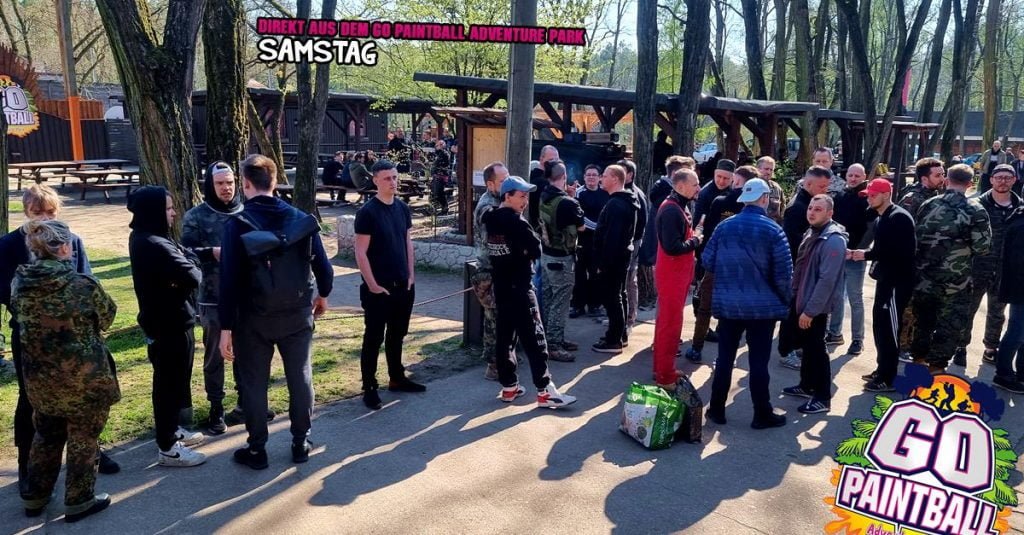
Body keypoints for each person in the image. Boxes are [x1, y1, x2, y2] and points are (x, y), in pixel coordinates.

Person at [0, 186, 120, 492]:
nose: (45, 218)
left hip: (76, 338)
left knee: (84, 401)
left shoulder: (71, 239)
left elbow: (86, 279)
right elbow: (5, 291)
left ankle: (91, 453)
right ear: (26, 212)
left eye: (51, 212)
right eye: (37, 212)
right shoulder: (9, 245)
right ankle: (28, 468)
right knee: (32, 402)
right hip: (33, 339)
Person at [219, 154, 333, 469]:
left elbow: (228, 281)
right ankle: (300, 442)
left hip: (253, 317)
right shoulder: (301, 218)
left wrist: (225, 328)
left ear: (245, 184)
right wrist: (323, 296)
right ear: (274, 181)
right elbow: (324, 269)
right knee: (301, 376)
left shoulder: (236, 224)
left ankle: (257, 449)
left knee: (254, 383)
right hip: (297, 312)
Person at [703, 178, 792, 429]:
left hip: (728, 306)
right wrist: (786, 301)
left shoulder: (724, 227)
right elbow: (784, 275)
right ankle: (761, 413)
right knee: (759, 362)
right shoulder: (773, 230)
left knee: (724, 358)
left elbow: (707, 261)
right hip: (763, 310)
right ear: (764, 199)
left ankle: (717, 409)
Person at [127, 186, 206, 467]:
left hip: (174, 320)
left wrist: (183, 269)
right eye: (169, 208)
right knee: (168, 384)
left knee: (176, 382)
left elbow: (185, 267)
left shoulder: (155, 237)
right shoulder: (152, 243)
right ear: (153, 212)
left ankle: (171, 429)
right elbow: (194, 275)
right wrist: (187, 266)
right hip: (167, 325)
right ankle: (168, 447)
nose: (174, 213)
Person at [482, 176, 577, 408]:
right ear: (507, 196)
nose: (525, 201)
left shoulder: (490, 218)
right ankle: (545, 390)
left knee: (505, 338)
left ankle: (509, 386)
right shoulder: (517, 222)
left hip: (501, 288)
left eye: (527, 196)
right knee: (535, 338)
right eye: (521, 196)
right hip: (521, 289)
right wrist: (523, 252)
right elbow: (535, 248)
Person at [352, 159, 426, 411]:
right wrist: (372, 284)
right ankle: (369, 387)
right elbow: (360, 252)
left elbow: (407, 243)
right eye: (387, 178)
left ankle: (397, 377)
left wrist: (411, 275)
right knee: (373, 338)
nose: (393, 182)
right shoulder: (367, 212)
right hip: (378, 288)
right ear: (375, 181)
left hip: (403, 285)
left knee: (397, 334)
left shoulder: (402, 208)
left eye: (395, 177)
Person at [182, 161, 246, 435]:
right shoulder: (196, 216)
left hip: (246, 298)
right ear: (210, 185)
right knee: (215, 356)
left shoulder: (247, 211)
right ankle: (216, 408)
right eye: (220, 183)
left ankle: (245, 403)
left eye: (230, 182)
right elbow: (185, 253)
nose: (226, 188)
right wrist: (212, 252)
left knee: (246, 353)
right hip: (212, 297)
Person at [909, 164, 992, 374]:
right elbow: (982, 248)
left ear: (947, 180)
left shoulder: (928, 204)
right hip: (956, 282)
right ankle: (936, 368)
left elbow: (916, 237)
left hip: (924, 277)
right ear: (970, 183)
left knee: (923, 322)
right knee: (950, 325)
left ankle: (918, 360)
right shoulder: (976, 210)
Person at [780, 195, 848, 415]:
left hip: (815, 307)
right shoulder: (813, 232)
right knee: (808, 348)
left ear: (830, 213)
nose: (811, 212)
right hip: (802, 301)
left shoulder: (833, 240)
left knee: (817, 350)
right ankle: (806, 385)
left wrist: (810, 311)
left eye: (818, 209)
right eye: (810, 208)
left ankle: (822, 397)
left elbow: (827, 280)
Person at [686, 165, 758, 363]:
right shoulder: (758, 208)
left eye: (735, 181)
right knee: (732, 311)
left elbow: (709, 231)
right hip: (741, 266)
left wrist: (704, 258)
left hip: (718, 262)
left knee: (705, 307)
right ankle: (726, 354)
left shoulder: (721, 201)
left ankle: (697, 347)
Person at [851, 179, 917, 392]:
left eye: (873, 195)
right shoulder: (883, 216)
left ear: (886, 194)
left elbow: (897, 252)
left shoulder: (898, 217)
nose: (869, 199)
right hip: (886, 281)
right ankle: (882, 370)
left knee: (890, 329)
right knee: (881, 326)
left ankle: (887, 378)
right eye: (868, 196)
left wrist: (865, 255)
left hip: (897, 282)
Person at [953, 164, 1021, 366]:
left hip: (1005, 270)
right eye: (999, 177)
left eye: (1007, 178)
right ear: (991, 180)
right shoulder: (976, 205)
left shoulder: (1020, 208)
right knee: (968, 309)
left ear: (1014, 180)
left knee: (997, 312)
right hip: (976, 266)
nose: (1003, 181)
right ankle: (960, 347)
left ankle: (991, 348)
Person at [777, 166, 832, 370]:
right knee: (792, 312)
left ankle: (796, 345)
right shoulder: (797, 208)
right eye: (822, 186)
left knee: (799, 310)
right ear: (809, 184)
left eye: (826, 186)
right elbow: (793, 243)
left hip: (805, 268)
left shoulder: (809, 203)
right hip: (797, 268)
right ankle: (786, 351)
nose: (825, 190)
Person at [652, 168, 703, 388]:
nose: (698, 188)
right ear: (680, 186)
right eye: (695, 184)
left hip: (677, 275)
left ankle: (664, 368)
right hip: (671, 275)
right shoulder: (671, 209)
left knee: (670, 322)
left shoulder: (679, 205)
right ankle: (664, 375)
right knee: (669, 324)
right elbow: (672, 247)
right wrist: (696, 240)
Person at [539, 160, 585, 361]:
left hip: (546, 254)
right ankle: (554, 345)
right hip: (562, 258)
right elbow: (581, 227)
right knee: (560, 302)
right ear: (564, 176)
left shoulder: (545, 195)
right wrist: (573, 199)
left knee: (549, 298)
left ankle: (550, 339)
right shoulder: (568, 203)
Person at [592, 164, 639, 354]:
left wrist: (603, 263)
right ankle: (619, 334)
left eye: (604, 175)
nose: (601, 178)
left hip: (614, 259)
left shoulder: (617, 205)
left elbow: (612, 237)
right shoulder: (622, 201)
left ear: (615, 179)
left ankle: (614, 340)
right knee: (619, 295)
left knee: (613, 298)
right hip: (621, 257)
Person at [827, 163, 872, 355]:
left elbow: (871, 228)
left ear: (864, 177)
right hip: (838, 252)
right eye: (850, 175)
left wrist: (858, 250)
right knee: (837, 296)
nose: (853, 179)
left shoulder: (868, 198)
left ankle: (857, 339)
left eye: (857, 176)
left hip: (856, 255)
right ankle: (834, 332)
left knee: (855, 298)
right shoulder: (840, 195)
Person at [472, 162, 509, 381]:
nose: (507, 185)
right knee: (494, 320)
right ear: (490, 184)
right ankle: (494, 364)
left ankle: (505, 357)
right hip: (489, 271)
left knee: (503, 317)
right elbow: (492, 232)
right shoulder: (487, 205)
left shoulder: (501, 200)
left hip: (501, 270)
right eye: (503, 181)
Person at [993, 201, 1024, 393]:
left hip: (1018, 288)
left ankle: (1021, 373)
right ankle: (1003, 374)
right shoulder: (1021, 224)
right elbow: (1018, 263)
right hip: (1020, 289)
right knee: (1016, 333)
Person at [571, 164, 610, 318]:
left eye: (594, 175)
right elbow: (579, 216)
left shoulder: (606, 193)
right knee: (580, 274)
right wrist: (596, 226)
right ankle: (578, 305)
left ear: (600, 178)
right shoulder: (579, 193)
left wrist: (601, 228)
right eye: (588, 175)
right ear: (584, 177)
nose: (591, 178)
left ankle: (595, 305)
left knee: (596, 273)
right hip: (583, 239)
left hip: (600, 240)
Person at [619, 159, 649, 330]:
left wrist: (632, 244)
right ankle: (621, 316)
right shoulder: (622, 192)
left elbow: (642, 223)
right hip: (626, 243)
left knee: (630, 280)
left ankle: (629, 319)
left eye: (621, 172)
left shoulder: (635, 194)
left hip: (632, 244)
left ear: (630, 175)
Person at [529, 145, 560, 229]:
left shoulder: (550, 179)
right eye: (551, 160)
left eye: (557, 160)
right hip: (540, 227)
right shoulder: (540, 181)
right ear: (541, 159)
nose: (554, 163)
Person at [756, 156, 787, 224]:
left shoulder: (776, 188)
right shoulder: (750, 186)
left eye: (771, 170)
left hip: (772, 226)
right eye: (766, 169)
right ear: (758, 169)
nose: (769, 172)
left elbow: (782, 210)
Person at [431, 139, 452, 214]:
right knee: (435, 191)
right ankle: (440, 207)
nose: (436, 146)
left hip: (441, 176)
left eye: (438, 145)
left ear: (442, 146)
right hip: (436, 175)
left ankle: (445, 207)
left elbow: (442, 164)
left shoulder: (444, 153)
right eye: (436, 145)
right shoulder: (438, 153)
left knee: (439, 192)